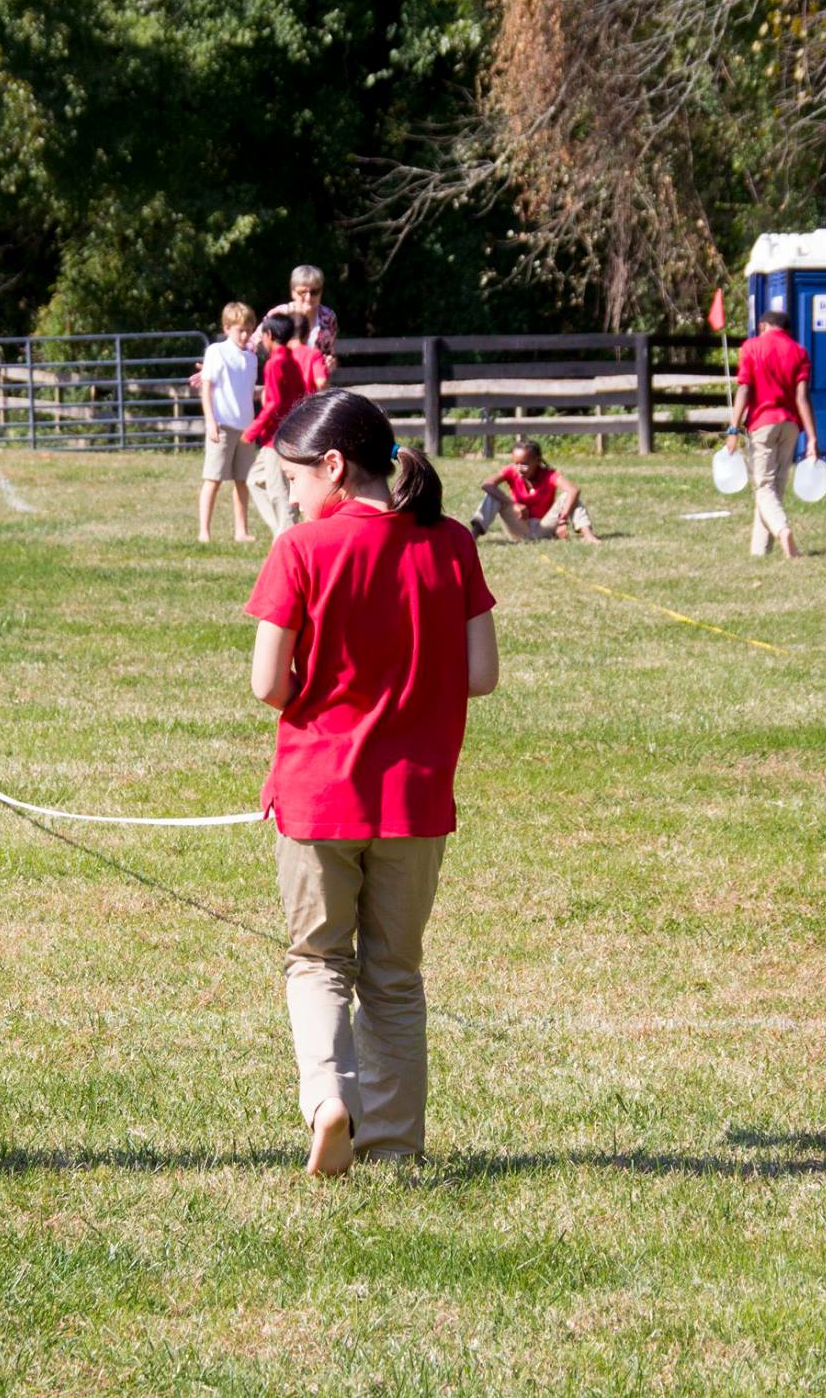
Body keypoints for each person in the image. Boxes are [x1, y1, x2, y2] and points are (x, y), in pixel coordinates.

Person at [244, 390, 499, 1178]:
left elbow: (266, 684)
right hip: (416, 802)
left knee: (318, 959)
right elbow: (482, 675)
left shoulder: (301, 550)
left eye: (293, 478)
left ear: (331, 465)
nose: (289, 494)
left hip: (319, 796)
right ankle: (392, 1142)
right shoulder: (453, 542)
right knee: (395, 974)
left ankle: (328, 1100)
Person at [727, 308, 820, 559]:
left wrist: (733, 427)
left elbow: (744, 389)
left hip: (762, 424)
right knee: (774, 488)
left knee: (763, 486)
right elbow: (802, 397)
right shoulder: (799, 352)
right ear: (787, 330)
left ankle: (782, 530)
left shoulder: (751, 347)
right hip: (790, 425)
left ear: (764, 326)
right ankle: (759, 551)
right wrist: (811, 437)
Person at [198, 302, 259, 542]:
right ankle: (204, 531)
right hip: (222, 425)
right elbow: (207, 389)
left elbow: (247, 390)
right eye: (239, 330)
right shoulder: (216, 352)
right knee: (213, 478)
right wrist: (210, 421)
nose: (244, 335)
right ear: (227, 328)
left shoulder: (252, 358)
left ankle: (241, 531)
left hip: (245, 427)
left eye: (248, 330)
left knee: (242, 480)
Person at [242, 312, 305, 536]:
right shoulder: (292, 362)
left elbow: (274, 402)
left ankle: (286, 535)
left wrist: (252, 430)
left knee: (279, 491)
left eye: (262, 335)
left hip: (276, 438)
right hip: (288, 433)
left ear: (269, 335)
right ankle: (282, 531)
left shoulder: (274, 363)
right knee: (254, 481)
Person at [469, 439, 600, 543]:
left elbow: (574, 490)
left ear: (537, 461)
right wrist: (512, 504)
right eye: (516, 463)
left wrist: (562, 521)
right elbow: (487, 484)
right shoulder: (511, 471)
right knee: (492, 496)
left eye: (525, 464)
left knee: (569, 496)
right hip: (520, 528)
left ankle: (588, 535)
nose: (519, 468)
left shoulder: (549, 475)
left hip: (544, 527)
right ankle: (472, 537)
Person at [250, 265, 338, 378]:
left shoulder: (328, 317)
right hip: (282, 381)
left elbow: (329, 352)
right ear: (292, 292)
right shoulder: (278, 314)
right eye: (302, 292)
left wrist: (330, 363)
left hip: (314, 386)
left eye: (315, 292)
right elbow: (252, 345)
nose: (308, 297)